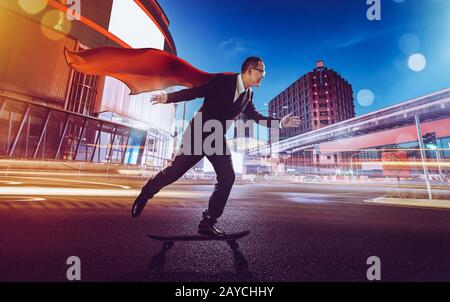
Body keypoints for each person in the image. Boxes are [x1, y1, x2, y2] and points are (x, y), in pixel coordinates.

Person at [131, 57, 300, 236]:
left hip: (216, 138)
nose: (263, 77)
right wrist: (168, 98)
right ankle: (145, 194)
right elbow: (196, 92)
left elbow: (255, 117)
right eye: (261, 72)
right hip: (198, 134)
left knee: (228, 177)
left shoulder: (248, 94)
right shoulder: (223, 81)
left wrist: (280, 123)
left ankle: (208, 222)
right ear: (250, 70)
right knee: (173, 173)